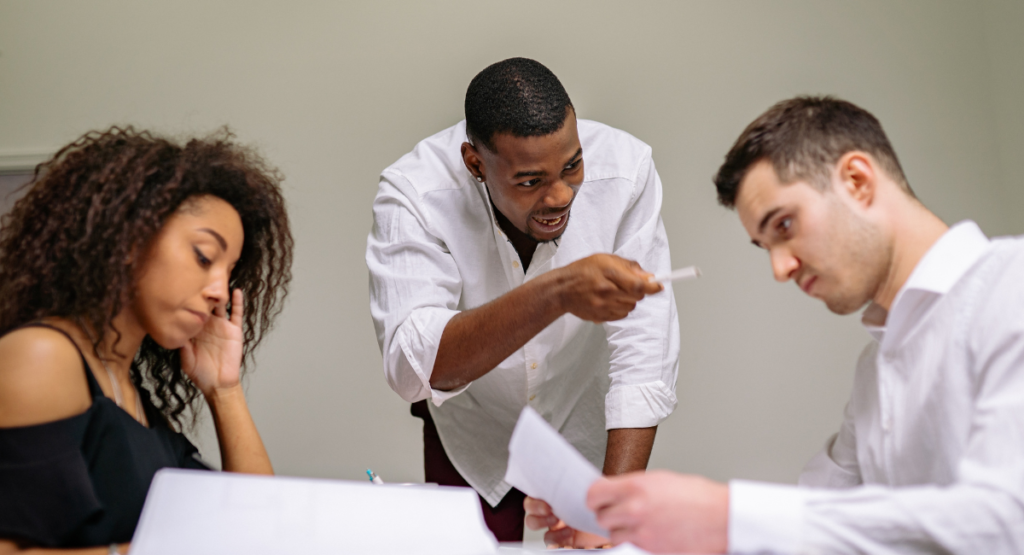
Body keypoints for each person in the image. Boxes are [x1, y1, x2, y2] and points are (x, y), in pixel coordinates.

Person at [534, 95, 1024, 554]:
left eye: (785, 226)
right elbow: (818, 518)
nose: (780, 268)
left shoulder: (1011, 287)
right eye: (766, 246)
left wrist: (724, 516)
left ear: (857, 181)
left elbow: (1006, 521)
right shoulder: (876, 369)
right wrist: (629, 519)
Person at [366, 57, 680, 543]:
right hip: (473, 432)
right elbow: (411, 370)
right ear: (475, 163)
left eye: (572, 166)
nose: (560, 196)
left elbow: (644, 351)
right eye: (530, 181)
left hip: (583, 411)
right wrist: (556, 292)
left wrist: (611, 512)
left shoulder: (626, 171)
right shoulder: (416, 193)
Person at [0, 127, 293, 554]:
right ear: (129, 239)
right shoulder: (43, 356)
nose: (220, 290)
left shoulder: (135, 402)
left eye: (229, 273)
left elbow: (256, 522)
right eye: (204, 257)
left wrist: (224, 390)